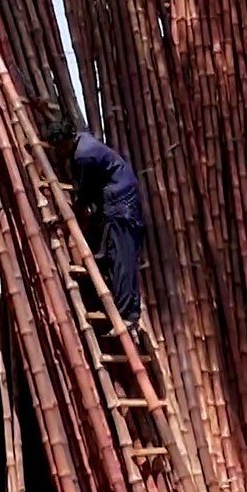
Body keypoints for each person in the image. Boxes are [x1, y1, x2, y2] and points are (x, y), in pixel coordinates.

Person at [42, 117, 145, 333]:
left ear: (67, 140)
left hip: (121, 203)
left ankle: (129, 316)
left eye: (59, 147)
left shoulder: (83, 156)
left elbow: (82, 198)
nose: (58, 152)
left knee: (121, 256)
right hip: (115, 199)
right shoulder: (82, 140)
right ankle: (125, 309)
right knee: (110, 252)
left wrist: (62, 218)